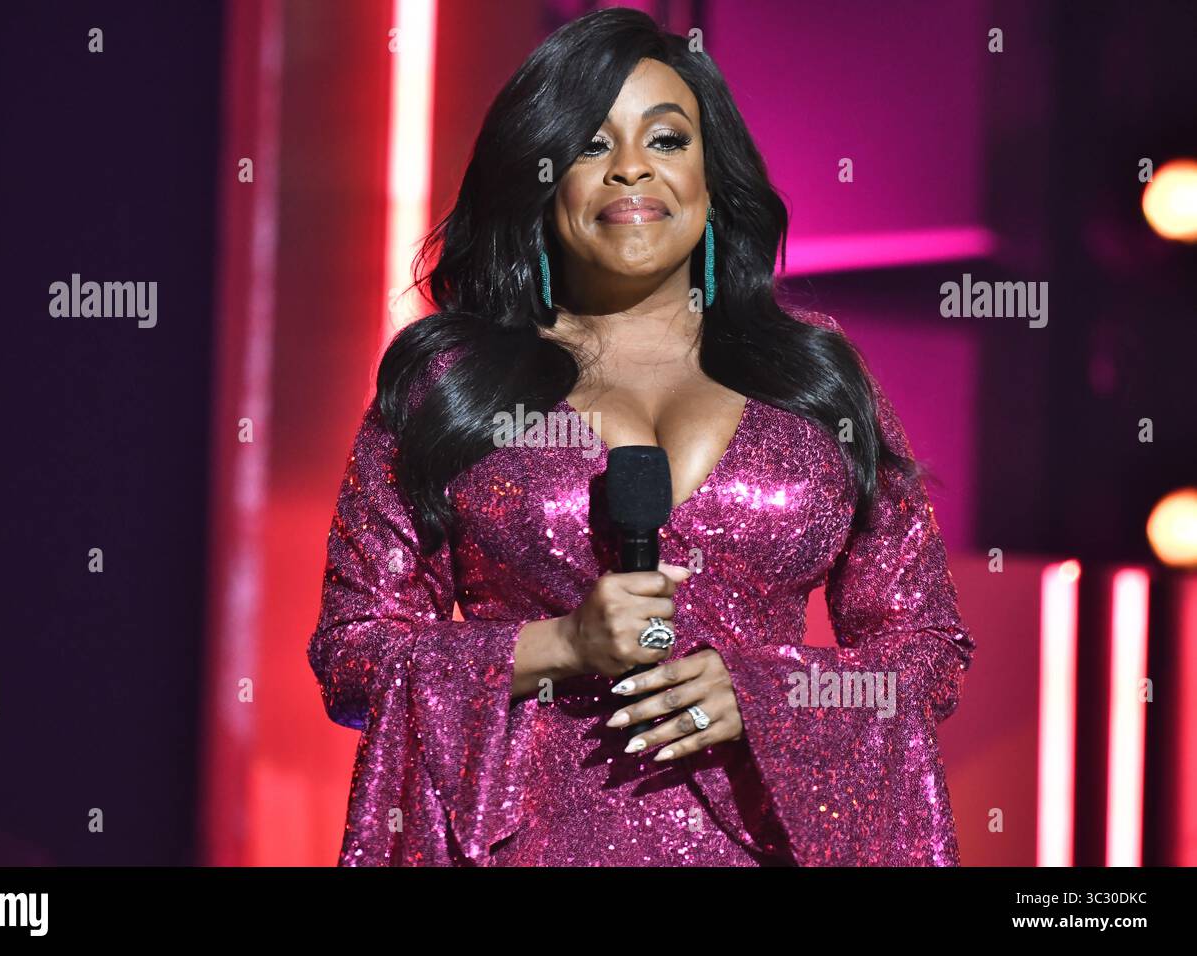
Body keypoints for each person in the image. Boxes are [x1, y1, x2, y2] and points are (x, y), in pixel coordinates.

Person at [307, 8, 975, 866]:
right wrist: (560, 646)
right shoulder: (451, 384)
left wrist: (769, 694)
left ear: (709, 172)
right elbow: (352, 653)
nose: (631, 169)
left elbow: (928, 652)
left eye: (666, 140)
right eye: (590, 146)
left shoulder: (815, 374)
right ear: (541, 178)